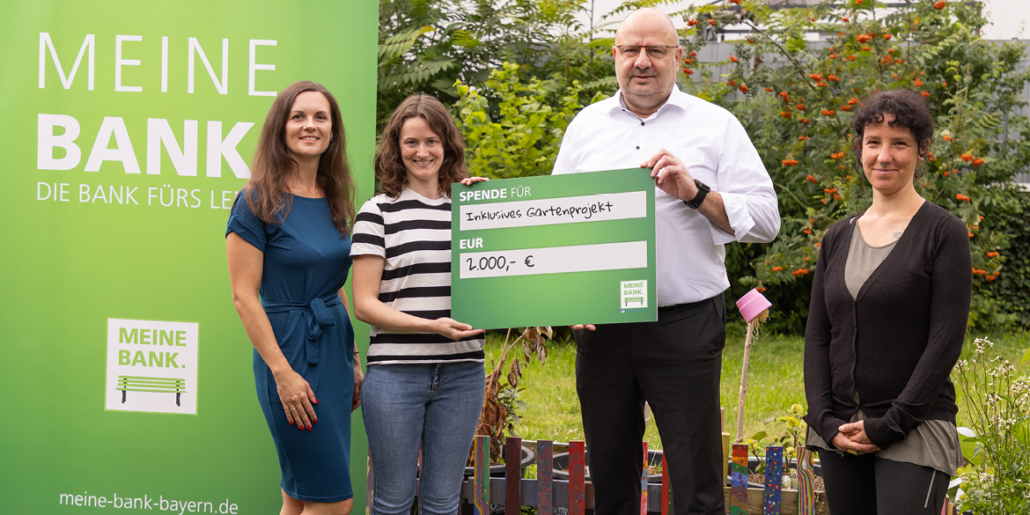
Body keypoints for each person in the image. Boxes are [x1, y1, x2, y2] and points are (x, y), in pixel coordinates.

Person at [551, 8, 780, 515]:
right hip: (602, 328)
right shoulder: (584, 127)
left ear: (679, 57)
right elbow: (556, 228)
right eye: (631, 50)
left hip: (685, 323)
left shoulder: (715, 126)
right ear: (615, 57)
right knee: (610, 482)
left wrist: (695, 193)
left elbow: (766, 220)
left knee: (698, 483)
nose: (642, 62)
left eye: (655, 51)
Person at [803, 89, 970, 514]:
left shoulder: (943, 233)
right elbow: (818, 337)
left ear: (921, 151)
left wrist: (890, 424)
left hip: (915, 428)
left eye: (899, 144)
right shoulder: (837, 237)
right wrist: (824, 420)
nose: (884, 156)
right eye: (873, 142)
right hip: (840, 430)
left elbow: (944, 342)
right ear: (860, 149)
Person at [226, 80, 360, 515]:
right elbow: (244, 296)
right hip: (288, 353)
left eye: (320, 117)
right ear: (280, 128)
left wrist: (354, 355)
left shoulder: (335, 199)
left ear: (333, 131)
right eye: (298, 116)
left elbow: (331, 279)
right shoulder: (255, 201)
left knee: (300, 497)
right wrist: (282, 373)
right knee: (333, 502)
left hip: (334, 350)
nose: (310, 125)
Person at [350, 93, 487, 515]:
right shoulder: (378, 212)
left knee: (443, 502)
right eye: (411, 143)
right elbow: (364, 304)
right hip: (395, 377)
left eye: (431, 141)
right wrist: (431, 327)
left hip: (463, 373)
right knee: (391, 501)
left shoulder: (473, 208)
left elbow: (514, 277)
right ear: (396, 148)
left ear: (447, 145)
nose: (422, 151)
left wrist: (498, 209)